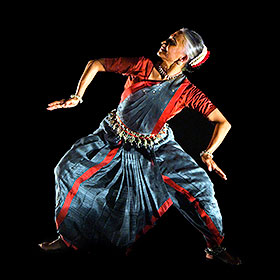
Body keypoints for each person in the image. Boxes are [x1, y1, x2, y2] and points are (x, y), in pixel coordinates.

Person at [39, 28, 241, 265]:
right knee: (67, 171)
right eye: (167, 38)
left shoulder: (186, 91)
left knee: (201, 188)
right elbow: (96, 63)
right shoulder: (143, 65)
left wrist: (208, 153)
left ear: (183, 58)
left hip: (154, 148)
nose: (164, 42)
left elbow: (222, 122)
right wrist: (77, 96)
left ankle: (215, 247)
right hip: (112, 137)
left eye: (172, 42)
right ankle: (68, 237)